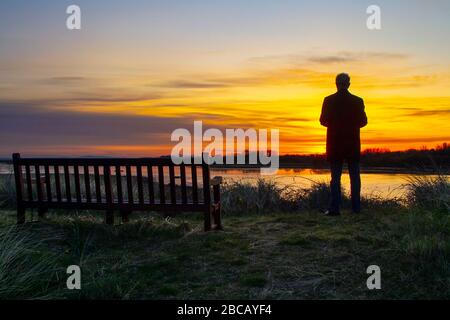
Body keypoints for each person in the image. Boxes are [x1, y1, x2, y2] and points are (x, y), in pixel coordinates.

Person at [320, 73, 368, 216]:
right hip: (352, 143)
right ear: (348, 84)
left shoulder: (328, 100)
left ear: (336, 83)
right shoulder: (357, 101)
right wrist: (351, 126)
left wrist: (336, 126)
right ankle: (356, 209)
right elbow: (364, 121)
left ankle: (335, 209)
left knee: (335, 178)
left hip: (335, 144)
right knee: (355, 176)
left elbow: (323, 121)